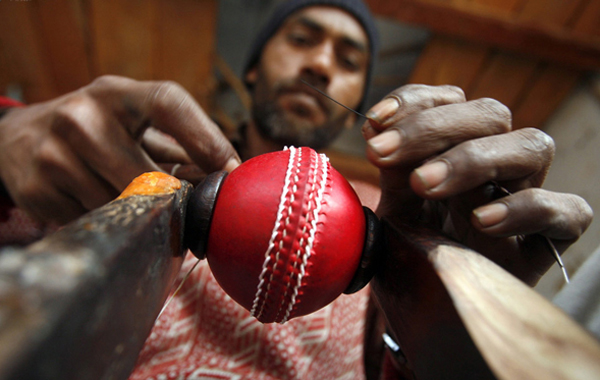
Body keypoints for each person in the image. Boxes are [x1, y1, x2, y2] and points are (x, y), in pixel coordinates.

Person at [0, 0, 594, 378]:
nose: (321, 66)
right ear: (255, 67)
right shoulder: (126, 157)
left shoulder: (394, 219)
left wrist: (447, 323)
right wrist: (7, 135)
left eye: (348, 56)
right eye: (303, 38)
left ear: (358, 89)